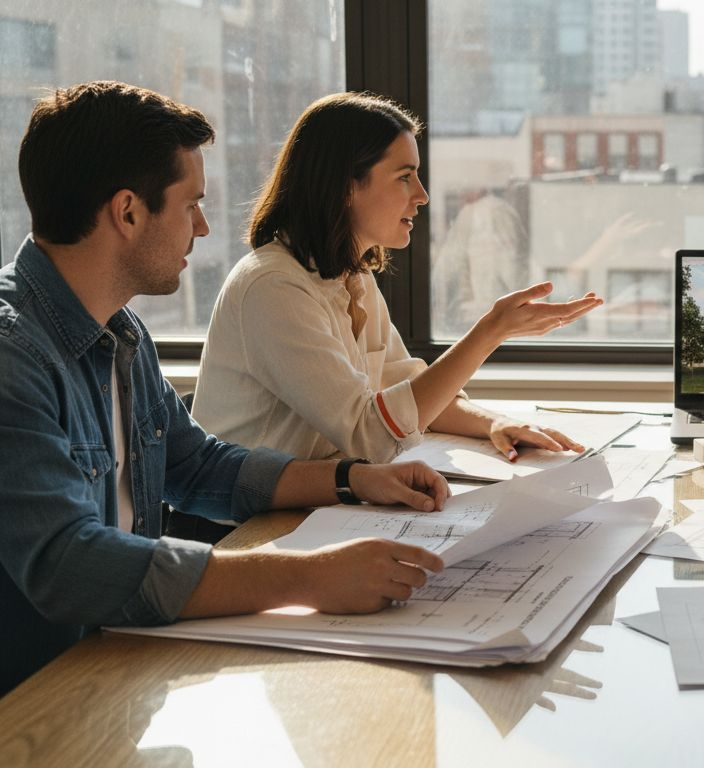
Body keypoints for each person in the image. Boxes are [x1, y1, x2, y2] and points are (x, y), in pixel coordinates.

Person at [0, 81, 455, 695]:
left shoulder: (120, 329)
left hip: (119, 661)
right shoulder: (13, 356)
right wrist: (306, 577)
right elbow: (68, 565)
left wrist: (351, 478)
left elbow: (195, 463)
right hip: (39, 696)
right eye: (191, 205)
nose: (206, 227)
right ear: (128, 212)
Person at [192, 92, 602, 472]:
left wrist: (495, 422)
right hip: (244, 526)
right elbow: (373, 435)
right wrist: (489, 333)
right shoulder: (272, 288)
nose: (422, 195)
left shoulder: (352, 277)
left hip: (310, 508)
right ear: (345, 186)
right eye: (405, 176)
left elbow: (411, 397)